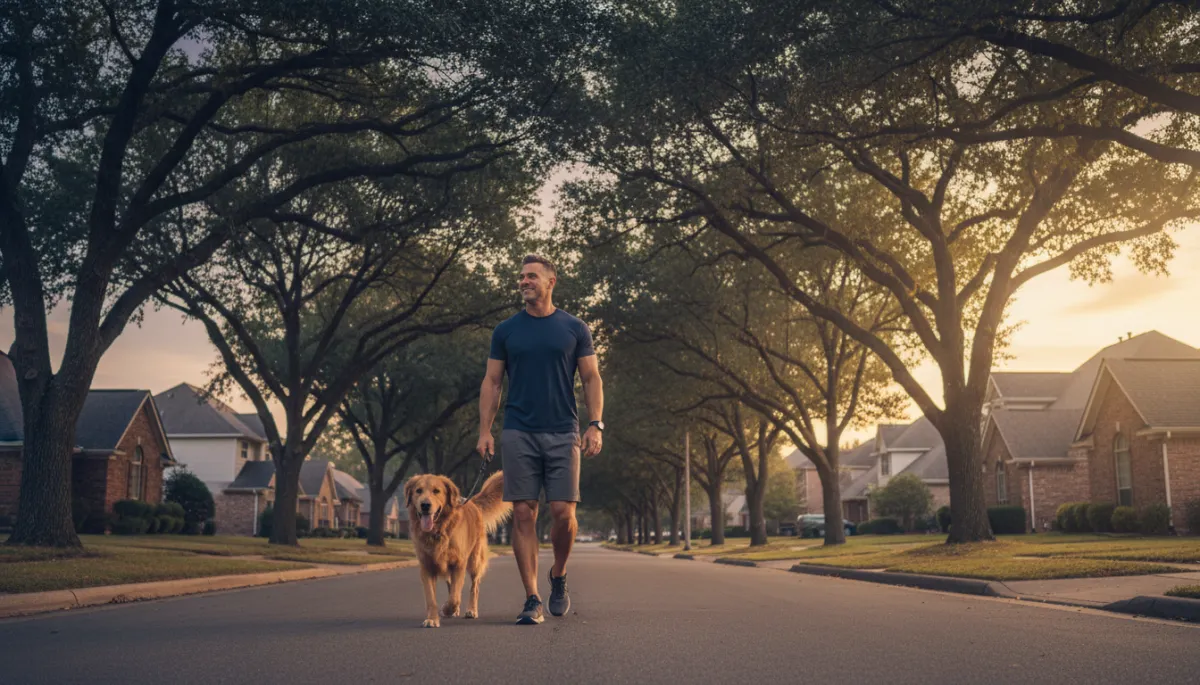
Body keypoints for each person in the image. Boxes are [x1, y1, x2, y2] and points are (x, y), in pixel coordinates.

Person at [477, 254, 604, 625]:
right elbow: (492, 382)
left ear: (551, 282)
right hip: (519, 430)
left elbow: (592, 378)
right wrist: (485, 430)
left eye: (531, 276)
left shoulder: (574, 328)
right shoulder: (505, 331)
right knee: (522, 511)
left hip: (563, 430)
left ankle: (558, 575)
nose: (524, 281)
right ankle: (532, 597)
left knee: (564, 514)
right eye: (521, 277)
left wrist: (595, 424)